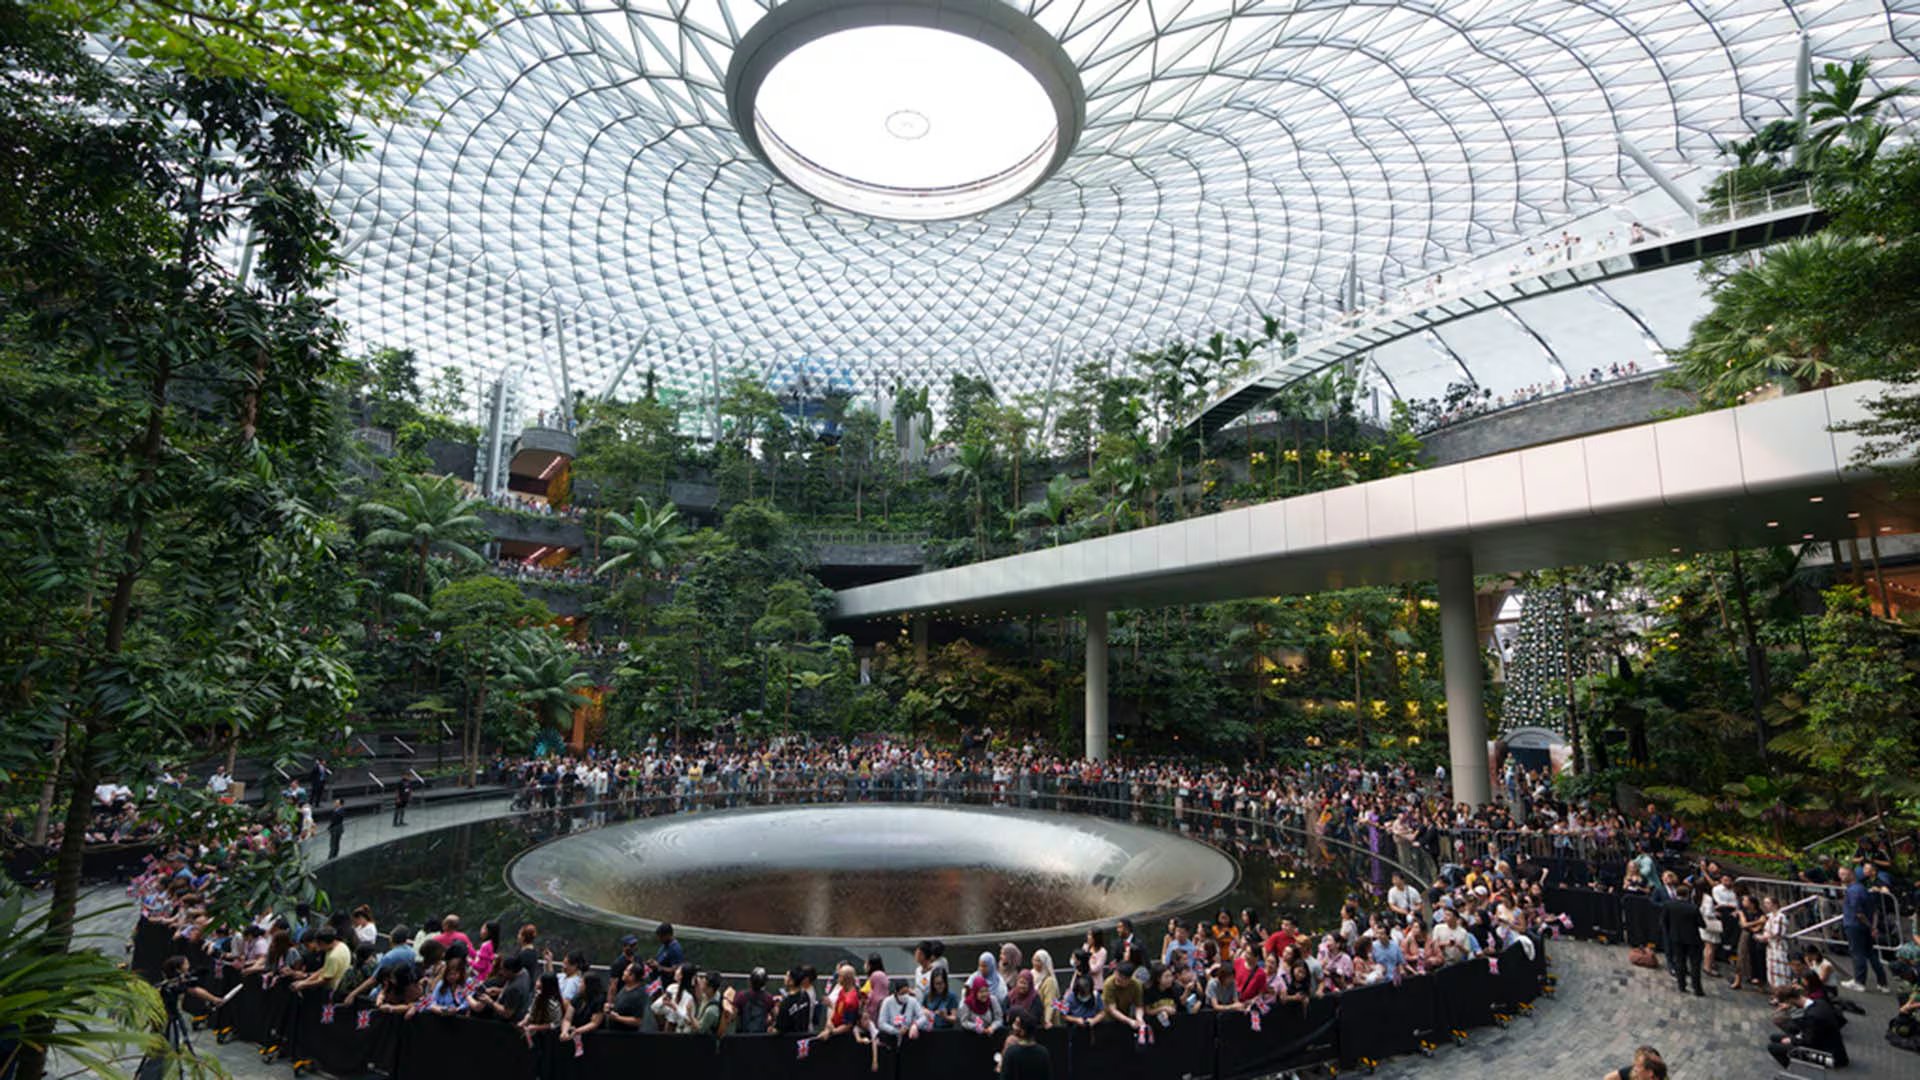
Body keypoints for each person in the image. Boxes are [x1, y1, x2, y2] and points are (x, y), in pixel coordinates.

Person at [1768, 985, 1849, 1069]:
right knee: (1775, 1037)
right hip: (1829, 1044)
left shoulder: (1812, 1016)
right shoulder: (1820, 1002)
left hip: (1829, 1056)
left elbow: (1809, 1041)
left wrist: (1792, 1040)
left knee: (1773, 1047)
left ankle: (1796, 1070)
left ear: (1790, 1000)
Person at [1838, 866, 1889, 993]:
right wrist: (1873, 926)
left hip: (1855, 925)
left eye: (1844, 874)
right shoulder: (1863, 889)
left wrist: (1871, 926)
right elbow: (1874, 910)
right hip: (1864, 925)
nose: (1841, 877)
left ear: (1851, 874)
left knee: (1857, 954)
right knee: (1871, 954)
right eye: (1840, 874)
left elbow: (1858, 913)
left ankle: (1859, 982)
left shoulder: (1853, 891)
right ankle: (1883, 983)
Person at [1661, 883, 1705, 995]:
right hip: (1693, 940)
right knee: (1695, 965)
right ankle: (1697, 989)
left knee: (1680, 962)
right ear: (1688, 895)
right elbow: (1702, 924)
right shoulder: (1693, 908)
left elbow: (1663, 921)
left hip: (1676, 938)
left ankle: (1682, 985)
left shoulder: (1668, 905)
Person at [999, 1012, 1051, 1080]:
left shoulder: (1011, 1053)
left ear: (1023, 1031)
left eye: (1017, 1024)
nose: (1013, 1026)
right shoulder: (1043, 1052)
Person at [1100, 961, 1144, 1032]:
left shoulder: (1136, 985)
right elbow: (1112, 1010)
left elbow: (1139, 1006)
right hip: (1108, 1018)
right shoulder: (1109, 984)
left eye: (1120, 980)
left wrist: (1139, 1019)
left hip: (1125, 1015)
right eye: (1116, 977)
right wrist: (1129, 1021)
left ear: (1129, 979)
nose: (1117, 981)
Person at [1601, 1045, 1668, 1079]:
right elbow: (1608, 1078)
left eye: (1639, 1066)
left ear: (1650, 1073)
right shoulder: (1634, 1073)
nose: (1634, 1068)